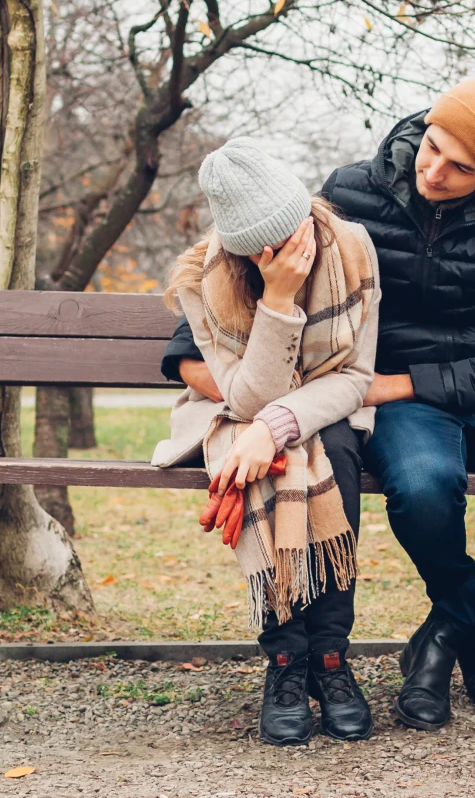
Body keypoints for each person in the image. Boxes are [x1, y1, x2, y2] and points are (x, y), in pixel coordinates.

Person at [161, 77, 475, 732]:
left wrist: (394, 384)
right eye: (432, 148)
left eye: (462, 168)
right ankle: (467, 637)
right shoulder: (352, 191)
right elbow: (243, 267)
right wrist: (219, 374)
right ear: (425, 125)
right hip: (404, 413)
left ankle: (447, 634)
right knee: (425, 486)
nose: (435, 171)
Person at [151, 138, 381, 745]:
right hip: (232, 413)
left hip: (324, 408)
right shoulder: (206, 281)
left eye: (292, 234)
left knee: (334, 449)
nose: (281, 253)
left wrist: (275, 427)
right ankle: (285, 661)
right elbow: (246, 397)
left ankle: (329, 658)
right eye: (261, 249)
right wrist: (277, 299)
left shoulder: (354, 250)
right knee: (271, 469)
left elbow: (355, 378)